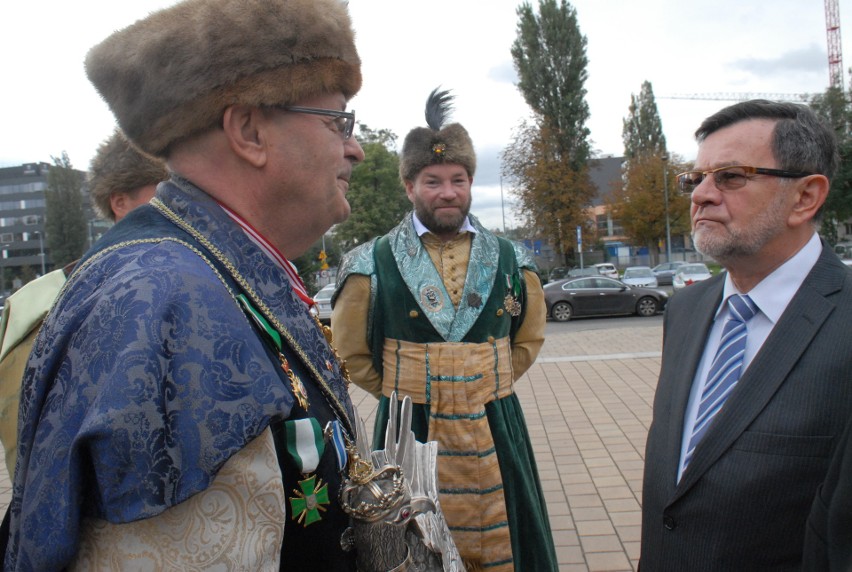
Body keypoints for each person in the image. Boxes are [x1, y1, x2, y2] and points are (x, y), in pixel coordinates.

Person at [7, 0, 365, 569]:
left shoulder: (209, 266)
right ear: (249, 131)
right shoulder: (168, 300)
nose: (355, 147)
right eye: (337, 120)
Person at [332, 88, 557, 572]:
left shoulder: (513, 259)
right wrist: (411, 389)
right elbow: (351, 354)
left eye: (458, 179)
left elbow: (528, 339)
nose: (448, 192)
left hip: (495, 423)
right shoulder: (369, 263)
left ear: (471, 182)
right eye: (433, 181)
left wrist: (484, 381)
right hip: (408, 426)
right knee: (411, 548)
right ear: (409, 186)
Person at [641, 99, 852, 571]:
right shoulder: (687, 309)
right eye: (695, 179)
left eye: (730, 176)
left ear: (805, 197)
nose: (701, 195)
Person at [0, 129, 165, 477]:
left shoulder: (190, 279)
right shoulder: (42, 303)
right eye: (163, 191)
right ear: (119, 202)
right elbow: (28, 447)